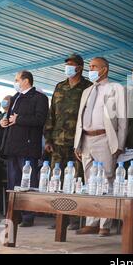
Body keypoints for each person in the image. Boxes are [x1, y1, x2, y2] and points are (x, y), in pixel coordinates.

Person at [74, 57, 127, 237]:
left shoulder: (116, 88)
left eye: (94, 67)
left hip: (105, 138)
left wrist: (119, 143)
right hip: (86, 139)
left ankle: (105, 224)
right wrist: (77, 143)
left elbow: (122, 118)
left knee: (107, 180)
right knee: (90, 182)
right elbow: (80, 118)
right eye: (90, 67)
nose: (91, 70)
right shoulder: (87, 90)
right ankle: (92, 222)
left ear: (104, 69)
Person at [44, 53, 91, 230]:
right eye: (67, 65)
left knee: (77, 179)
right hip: (57, 141)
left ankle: (74, 219)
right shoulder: (60, 86)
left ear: (79, 67)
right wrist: (48, 138)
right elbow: (52, 114)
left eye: (71, 65)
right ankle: (59, 219)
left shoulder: (88, 87)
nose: (68, 68)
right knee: (57, 179)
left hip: (77, 142)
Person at [0, 71, 48, 227]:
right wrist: (5, 121)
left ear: (26, 81)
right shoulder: (15, 97)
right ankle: (14, 215)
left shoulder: (40, 98)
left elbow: (40, 119)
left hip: (28, 146)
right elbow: (11, 118)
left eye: (17, 80)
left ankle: (28, 216)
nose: (15, 82)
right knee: (13, 182)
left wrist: (18, 119)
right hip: (12, 145)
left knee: (27, 181)